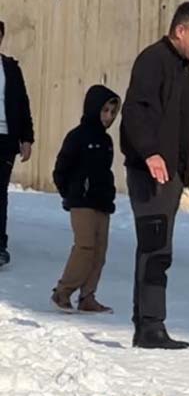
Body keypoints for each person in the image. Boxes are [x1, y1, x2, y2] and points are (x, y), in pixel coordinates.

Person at [120, 1, 189, 349]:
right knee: (155, 248)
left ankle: (149, 323)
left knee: (160, 248)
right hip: (150, 174)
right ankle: (149, 326)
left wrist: (182, 176)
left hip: (168, 177)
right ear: (181, 30)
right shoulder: (153, 61)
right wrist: (150, 152)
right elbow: (135, 111)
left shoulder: (181, 67)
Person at [50, 85, 120, 313]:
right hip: (82, 202)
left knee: (100, 251)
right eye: (104, 110)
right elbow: (61, 169)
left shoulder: (107, 141)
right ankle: (63, 291)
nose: (108, 116)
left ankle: (88, 295)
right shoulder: (77, 136)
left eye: (112, 111)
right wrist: (70, 194)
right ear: (93, 109)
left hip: (102, 202)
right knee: (85, 247)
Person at [0, 18, 36, 268]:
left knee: (0, 193)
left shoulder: (10, 68)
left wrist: (27, 137)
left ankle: (0, 245)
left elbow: (22, 103)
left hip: (5, 138)